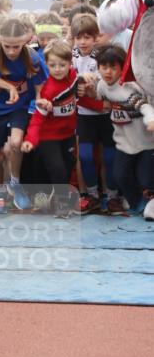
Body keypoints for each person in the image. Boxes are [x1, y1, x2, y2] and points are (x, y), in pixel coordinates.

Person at [21, 39, 92, 216]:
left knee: (68, 166)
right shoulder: (48, 90)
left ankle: (51, 198)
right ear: (47, 65)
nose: (58, 69)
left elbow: (78, 89)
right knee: (57, 168)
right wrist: (30, 140)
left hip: (67, 134)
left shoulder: (73, 76)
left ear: (70, 63)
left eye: (62, 64)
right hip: (48, 137)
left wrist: (87, 81)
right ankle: (60, 204)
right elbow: (37, 118)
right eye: (53, 65)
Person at [0, 18, 47, 213]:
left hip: (18, 108)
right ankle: (0, 191)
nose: (11, 51)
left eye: (16, 47)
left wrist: (40, 102)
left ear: (26, 41)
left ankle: (15, 183)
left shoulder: (33, 57)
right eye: (7, 46)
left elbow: (39, 88)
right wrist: (9, 86)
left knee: (15, 143)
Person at [94, 45, 154, 215]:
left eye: (114, 67)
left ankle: (150, 202)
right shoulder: (102, 86)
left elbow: (145, 107)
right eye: (104, 67)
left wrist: (151, 120)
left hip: (146, 142)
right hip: (124, 143)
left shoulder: (129, 90)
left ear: (123, 68)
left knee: (146, 178)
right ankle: (138, 203)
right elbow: (99, 99)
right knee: (120, 175)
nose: (108, 72)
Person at [71, 12, 117, 213]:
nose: (83, 42)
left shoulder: (102, 55)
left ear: (96, 37)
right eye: (79, 37)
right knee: (86, 157)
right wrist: (79, 81)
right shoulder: (71, 56)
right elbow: (64, 77)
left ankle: (112, 196)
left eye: (87, 37)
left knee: (109, 157)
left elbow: (109, 82)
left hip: (106, 116)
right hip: (84, 116)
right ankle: (91, 195)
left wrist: (92, 88)